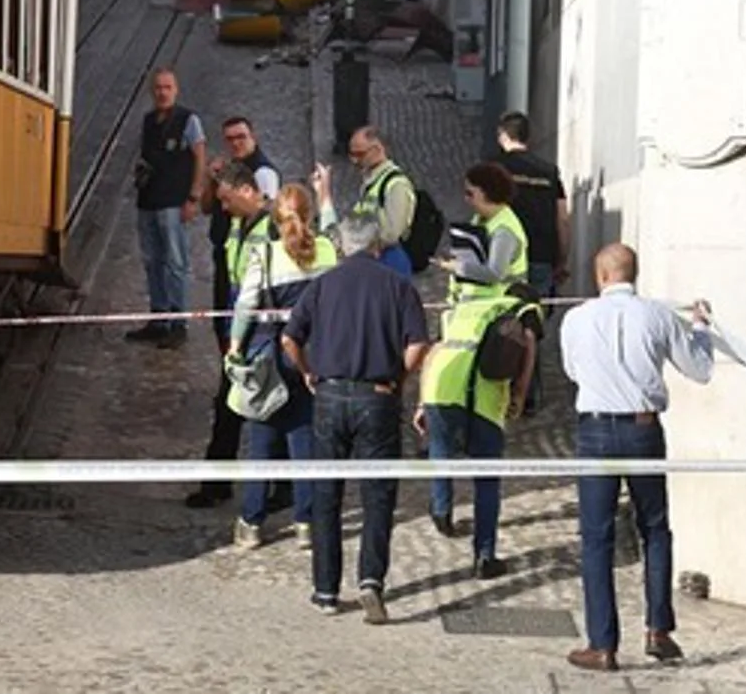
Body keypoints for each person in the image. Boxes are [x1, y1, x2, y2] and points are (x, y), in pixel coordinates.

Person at [559, 244, 712, 672]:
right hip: (643, 429)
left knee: (596, 538)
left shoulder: (576, 318)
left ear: (600, 276)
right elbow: (699, 369)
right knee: (655, 528)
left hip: (594, 430)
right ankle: (658, 629)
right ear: (635, 274)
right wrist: (700, 328)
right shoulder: (659, 315)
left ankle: (602, 644)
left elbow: (573, 371)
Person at [280, 215, 431, 623]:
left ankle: (326, 590)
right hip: (377, 396)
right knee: (378, 495)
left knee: (326, 496)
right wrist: (399, 377)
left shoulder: (322, 285)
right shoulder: (398, 286)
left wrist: (309, 371)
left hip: (328, 396)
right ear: (377, 245)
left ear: (343, 245)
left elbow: (289, 337)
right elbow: (418, 345)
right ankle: (370, 580)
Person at [414, 224, 541, 579]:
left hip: (442, 389)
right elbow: (529, 347)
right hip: (486, 397)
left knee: (441, 452)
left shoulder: (456, 308)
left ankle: (441, 511)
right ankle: (484, 554)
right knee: (487, 478)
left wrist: (422, 401)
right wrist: (520, 392)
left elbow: (435, 352)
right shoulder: (517, 302)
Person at [228, 176, 334, 548]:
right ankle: (305, 522)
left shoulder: (267, 255)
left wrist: (235, 346)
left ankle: (252, 522)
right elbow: (333, 231)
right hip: (313, 355)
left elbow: (246, 304)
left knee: (262, 438)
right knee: (304, 435)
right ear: (309, 216)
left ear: (275, 218)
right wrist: (325, 195)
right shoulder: (325, 250)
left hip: (271, 354)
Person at [186, 117, 281, 509]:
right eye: (229, 139)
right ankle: (236, 483)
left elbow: (255, 292)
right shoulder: (237, 226)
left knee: (246, 405)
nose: (236, 143)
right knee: (240, 402)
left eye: (241, 137)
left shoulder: (264, 187)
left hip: (258, 333)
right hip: (240, 320)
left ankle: (236, 487)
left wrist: (235, 337)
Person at [128, 68, 205, 349]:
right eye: (158, 87)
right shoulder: (149, 120)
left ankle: (178, 321)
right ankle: (159, 317)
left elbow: (199, 155)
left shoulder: (188, 120)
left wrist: (194, 197)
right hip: (148, 201)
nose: (162, 92)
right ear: (153, 91)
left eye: (167, 87)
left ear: (176, 90)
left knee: (176, 262)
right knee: (152, 261)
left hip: (174, 202)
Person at [314, 126, 417, 276]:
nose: (354, 160)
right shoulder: (372, 182)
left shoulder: (396, 185)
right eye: (351, 154)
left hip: (385, 264)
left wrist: (363, 250)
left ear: (377, 149)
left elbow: (392, 233)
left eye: (359, 154)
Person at [494, 112, 569, 297]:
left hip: (504, 255)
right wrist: (562, 259)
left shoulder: (494, 168)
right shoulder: (549, 171)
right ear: (528, 136)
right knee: (536, 316)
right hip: (541, 254)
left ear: (503, 135)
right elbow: (563, 219)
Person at [460, 162, 529, 291]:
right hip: (478, 305)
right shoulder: (479, 220)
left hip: (498, 305)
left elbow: (495, 273)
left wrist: (457, 267)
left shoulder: (504, 231)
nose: (466, 199)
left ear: (486, 193)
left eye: (470, 193)